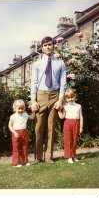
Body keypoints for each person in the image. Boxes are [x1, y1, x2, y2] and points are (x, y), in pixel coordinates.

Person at [30, 36, 67, 164]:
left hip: (54, 96)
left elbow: (63, 83)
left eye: (49, 44)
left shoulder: (60, 63)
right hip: (40, 95)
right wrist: (33, 100)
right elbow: (33, 83)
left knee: (51, 127)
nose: (47, 47)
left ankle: (49, 157)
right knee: (38, 127)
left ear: (53, 45)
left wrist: (61, 99)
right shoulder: (37, 64)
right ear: (42, 47)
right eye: (45, 45)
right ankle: (38, 157)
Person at [58, 88, 83, 163]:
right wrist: (59, 111)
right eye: (68, 98)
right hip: (67, 124)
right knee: (68, 141)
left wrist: (81, 127)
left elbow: (81, 117)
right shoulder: (65, 106)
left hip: (76, 123)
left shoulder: (78, 106)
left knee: (74, 140)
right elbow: (62, 117)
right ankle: (69, 157)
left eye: (72, 97)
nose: (70, 99)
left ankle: (73, 156)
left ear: (75, 96)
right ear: (66, 98)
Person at [8, 99, 35, 167]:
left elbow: (32, 117)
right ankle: (16, 163)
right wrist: (14, 132)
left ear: (24, 108)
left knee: (24, 147)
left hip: (24, 132)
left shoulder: (25, 114)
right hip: (16, 133)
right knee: (16, 148)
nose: (20, 110)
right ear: (15, 108)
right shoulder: (13, 116)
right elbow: (10, 126)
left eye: (22, 108)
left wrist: (34, 111)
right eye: (19, 109)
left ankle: (25, 161)